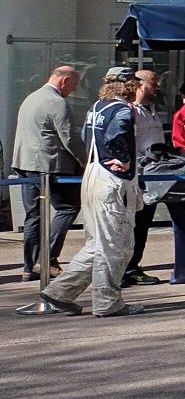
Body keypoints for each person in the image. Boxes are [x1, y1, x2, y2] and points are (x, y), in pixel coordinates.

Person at [17, 69, 144, 317]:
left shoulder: (97, 106)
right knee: (115, 245)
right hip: (112, 180)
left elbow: (86, 136)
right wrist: (124, 159)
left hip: (93, 175)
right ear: (127, 86)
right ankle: (108, 302)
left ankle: (59, 293)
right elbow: (117, 132)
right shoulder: (122, 109)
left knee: (97, 244)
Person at [13, 65, 82, 280]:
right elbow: (69, 138)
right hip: (50, 166)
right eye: (74, 85)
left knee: (34, 215)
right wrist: (87, 161)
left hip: (25, 164)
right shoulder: (56, 102)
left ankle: (29, 266)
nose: (73, 90)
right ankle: (47, 258)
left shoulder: (31, 98)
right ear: (64, 81)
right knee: (68, 208)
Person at [121, 68, 168, 287]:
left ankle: (132, 266)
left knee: (143, 224)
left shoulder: (151, 109)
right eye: (153, 82)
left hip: (152, 177)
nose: (158, 86)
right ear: (140, 84)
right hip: (136, 178)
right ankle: (128, 269)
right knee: (133, 225)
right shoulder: (130, 111)